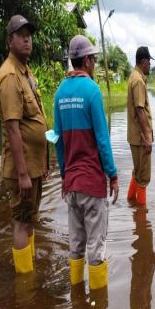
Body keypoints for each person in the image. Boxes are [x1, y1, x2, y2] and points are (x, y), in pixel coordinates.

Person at [53, 34, 119, 291]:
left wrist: (64, 176)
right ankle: (98, 306)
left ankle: (78, 300)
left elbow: (57, 141)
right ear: (87, 61)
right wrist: (112, 175)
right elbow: (102, 140)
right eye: (93, 58)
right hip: (92, 183)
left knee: (76, 245)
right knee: (96, 246)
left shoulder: (60, 93)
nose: (94, 63)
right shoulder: (92, 91)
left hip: (71, 183)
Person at [0, 15, 47, 274]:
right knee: (19, 221)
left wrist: (42, 164)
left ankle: (30, 269)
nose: (27, 38)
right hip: (22, 169)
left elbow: (35, 119)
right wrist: (24, 173)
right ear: (10, 41)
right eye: (20, 34)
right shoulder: (8, 77)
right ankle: (25, 285)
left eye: (29, 34)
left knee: (29, 220)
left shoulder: (25, 71)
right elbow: (13, 128)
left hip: (33, 166)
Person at [126, 46, 154, 206]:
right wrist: (148, 137)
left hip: (135, 137)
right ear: (143, 61)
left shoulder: (134, 77)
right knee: (143, 177)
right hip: (141, 138)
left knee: (137, 173)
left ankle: (131, 202)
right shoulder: (138, 80)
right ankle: (141, 217)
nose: (150, 64)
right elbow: (140, 109)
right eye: (149, 61)